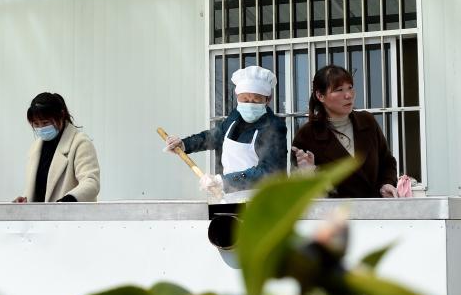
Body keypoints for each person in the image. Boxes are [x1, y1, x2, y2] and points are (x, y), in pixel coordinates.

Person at [164, 66, 287, 196]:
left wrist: (222, 181)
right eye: (244, 99)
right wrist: (184, 144)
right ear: (237, 97)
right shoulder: (235, 117)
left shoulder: (274, 127)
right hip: (231, 195)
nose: (249, 104)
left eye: (256, 100)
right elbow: (213, 137)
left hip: (263, 199)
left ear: (268, 99)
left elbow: (269, 172)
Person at [291, 65, 398, 198]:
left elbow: (387, 162)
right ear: (320, 96)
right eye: (339, 90)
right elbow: (299, 192)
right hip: (336, 210)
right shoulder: (307, 135)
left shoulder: (367, 122)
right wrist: (308, 174)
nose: (348, 95)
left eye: (350, 88)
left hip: (374, 208)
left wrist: (386, 184)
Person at [13, 93, 100, 203]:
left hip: (69, 213)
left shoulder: (80, 143)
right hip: (39, 214)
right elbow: (40, 187)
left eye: (45, 123)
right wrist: (25, 199)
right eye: (36, 124)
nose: (41, 128)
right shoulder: (35, 148)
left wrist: (69, 200)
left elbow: (91, 182)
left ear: (61, 115)